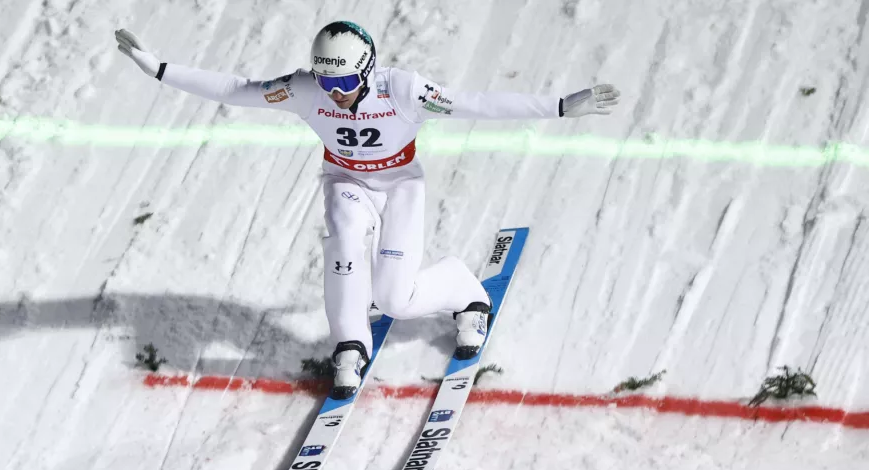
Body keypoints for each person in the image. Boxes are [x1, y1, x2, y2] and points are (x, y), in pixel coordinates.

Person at [115, 21, 620, 399]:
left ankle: (466, 293)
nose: (336, 96)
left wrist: (557, 106)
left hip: (400, 184)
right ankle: (349, 345)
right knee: (343, 235)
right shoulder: (307, 88)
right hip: (346, 181)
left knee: (395, 299)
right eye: (327, 85)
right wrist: (159, 69)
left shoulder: (402, 90)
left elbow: (475, 103)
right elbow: (237, 90)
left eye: (344, 85)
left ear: (368, 70)